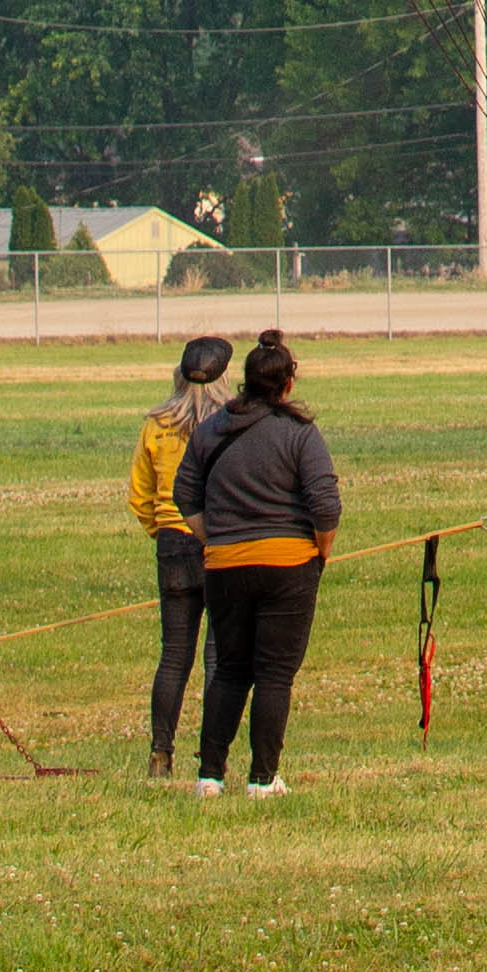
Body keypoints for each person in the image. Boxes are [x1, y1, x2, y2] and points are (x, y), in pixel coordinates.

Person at [175, 330, 340, 796]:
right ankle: (262, 779)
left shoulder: (210, 430)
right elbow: (326, 506)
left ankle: (209, 776)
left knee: (229, 669)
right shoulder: (300, 434)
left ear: (244, 382)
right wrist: (321, 550)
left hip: (225, 566)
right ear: (289, 384)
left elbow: (183, 495)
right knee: (273, 674)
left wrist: (218, 539)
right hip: (289, 567)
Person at [129, 330, 234, 781]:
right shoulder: (230, 424)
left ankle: (160, 753)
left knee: (173, 655)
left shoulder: (157, 424)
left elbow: (139, 496)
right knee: (217, 657)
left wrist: (162, 530)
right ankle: (211, 758)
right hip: (219, 541)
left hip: (172, 542)